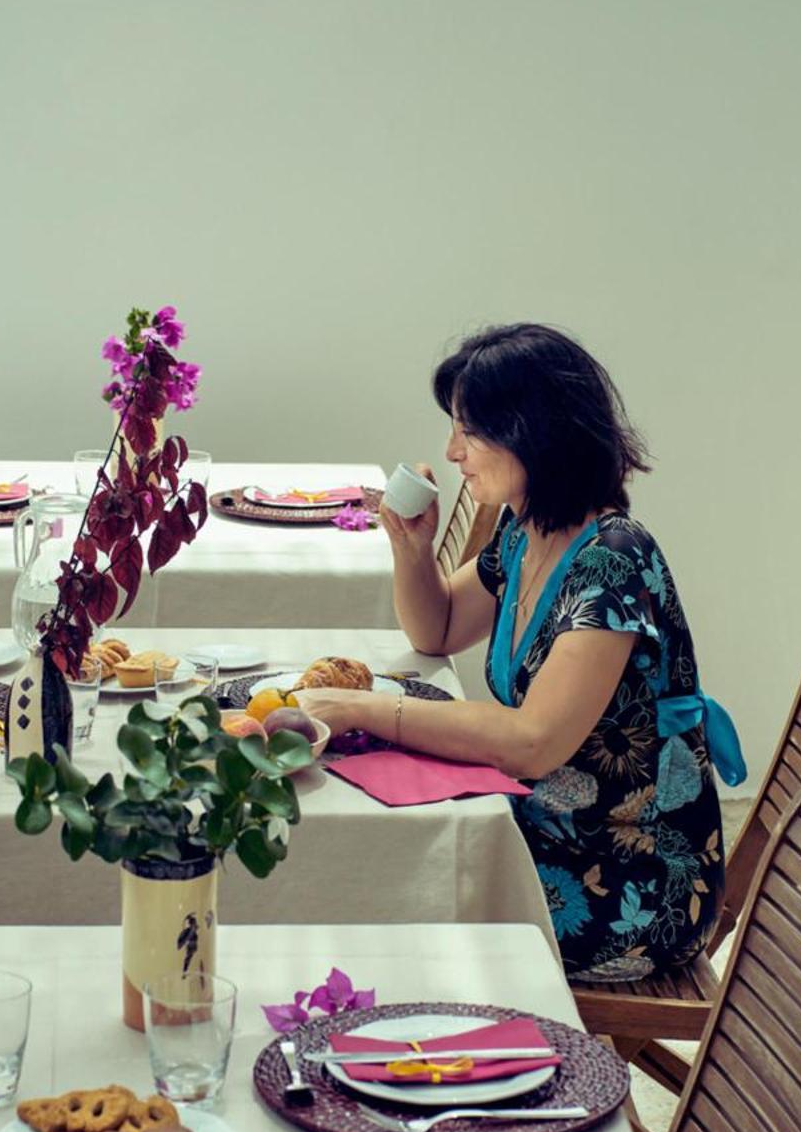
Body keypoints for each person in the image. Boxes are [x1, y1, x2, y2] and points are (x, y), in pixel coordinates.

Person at [294, 324, 744, 982]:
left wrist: (363, 708)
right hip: (546, 831)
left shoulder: (612, 563)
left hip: (630, 885)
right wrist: (410, 549)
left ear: (531, 431)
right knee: (373, 864)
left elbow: (532, 742)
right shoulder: (526, 531)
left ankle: (420, 1062)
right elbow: (438, 629)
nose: (451, 451)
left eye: (468, 432)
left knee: (390, 899)